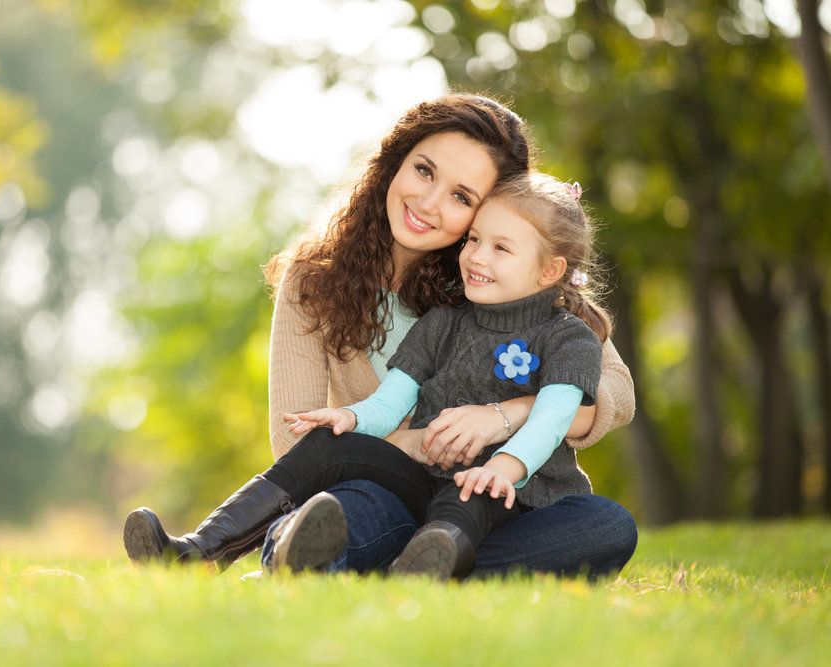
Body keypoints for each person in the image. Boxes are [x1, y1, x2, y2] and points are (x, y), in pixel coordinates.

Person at [123, 94, 636, 578]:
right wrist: (419, 443)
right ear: (395, 159)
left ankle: (413, 567)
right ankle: (215, 554)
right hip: (383, 489)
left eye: (461, 196)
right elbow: (295, 441)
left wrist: (503, 417)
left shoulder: (494, 282)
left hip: (488, 499)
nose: (430, 202)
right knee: (338, 514)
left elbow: (610, 394)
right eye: (424, 170)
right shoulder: (315, 280)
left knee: (604, 525)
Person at [277, 172, 607, 579]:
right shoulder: (446, 318)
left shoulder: (566, 332)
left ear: (549, 270)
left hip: (509, 501)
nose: (477, 257)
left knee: (604, 522)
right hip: (409, 483)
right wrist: (358, 421)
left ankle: (418, 565)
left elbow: (573, 409)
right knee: (345, 502)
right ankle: (220, 545)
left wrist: (502, 442)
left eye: (500, 247)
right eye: (474, 239)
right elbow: (380, 405)